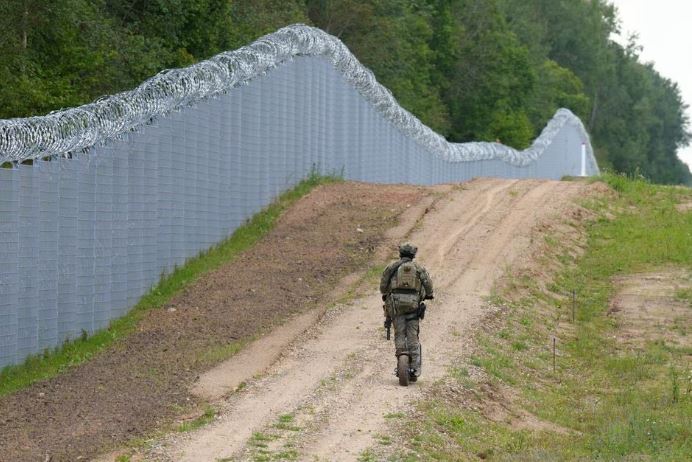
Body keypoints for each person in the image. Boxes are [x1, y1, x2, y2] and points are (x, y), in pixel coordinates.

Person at [380, 242, 433, 381]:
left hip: (395, 306)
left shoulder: (392, 267)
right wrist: (429, 294)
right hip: (413, 306)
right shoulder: (418, 268)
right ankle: (414, 368)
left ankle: (400, 359)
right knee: (413, 336)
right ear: (413, 255)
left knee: (399, 333)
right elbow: (427, 283)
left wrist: (386, 293)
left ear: (400, 253)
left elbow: (383, 285)